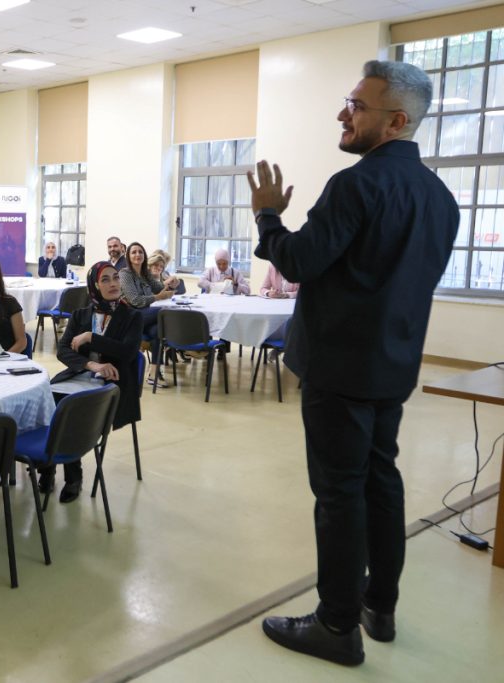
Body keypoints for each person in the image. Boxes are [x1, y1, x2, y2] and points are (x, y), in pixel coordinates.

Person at [248, 60, 459, 667]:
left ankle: (336, 625)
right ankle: (378, 606)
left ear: (396, 122)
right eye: (348, 100)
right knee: (380, 480)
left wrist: (267, 217)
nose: (343, 113)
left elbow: (299, 261)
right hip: (392, 368)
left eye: (357, 106)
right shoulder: (441, 199)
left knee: (339, 494)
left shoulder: (355, 185)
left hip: (339, 368)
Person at [43, 262, 141, 503]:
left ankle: (73, 477)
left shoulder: (132, 316)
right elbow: (63, 351)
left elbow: (128, 353)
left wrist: (91, 337)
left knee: (72, 409)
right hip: (81, 375)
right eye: (105, 279)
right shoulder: (81, 315)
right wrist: (91, 365)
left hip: (113, 384)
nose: (113, 284)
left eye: (116, 278)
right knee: (45, 401)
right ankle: (47, 466)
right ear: (94, 286)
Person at [119, 242, 174, 386]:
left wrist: (172, 283)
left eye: (140, 252)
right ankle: (174, 345)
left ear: (144, 255)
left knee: (157, 331)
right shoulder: (124, 274)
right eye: (134, 252)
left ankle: (154, 374)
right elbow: (135, 300)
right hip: (129, 316)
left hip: (145, 316)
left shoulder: (145, 274)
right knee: (163, 313)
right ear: (128, 256)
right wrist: (158, 297)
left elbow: (159, 288)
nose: (137, 254)